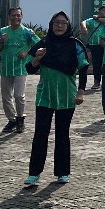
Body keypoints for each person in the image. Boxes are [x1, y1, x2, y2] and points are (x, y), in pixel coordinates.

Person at [23, 12, 88, 186]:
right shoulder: (43, 44)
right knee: (40, 135)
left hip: (67, 97)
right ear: (51, 25)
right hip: (45, 96)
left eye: (63, 23)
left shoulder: (75, 45)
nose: (59, 26)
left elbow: (83, 68)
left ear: (67, 26)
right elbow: (29, 68)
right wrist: (37, 58)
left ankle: (62, 172)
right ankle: (34, 173)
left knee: (62, 134)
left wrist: (81, 92)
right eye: (56, 23)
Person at [0, 7, 38, 133]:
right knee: (6, 97)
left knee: (19, 95)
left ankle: (20, 119)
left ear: (22, 16)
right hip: (6, 69)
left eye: (18, 15)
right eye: (13, 15)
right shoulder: (3, 31)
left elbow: (39, 45)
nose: (16, 18)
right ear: (9, 17)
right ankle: (12, 120)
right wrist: (1, 41)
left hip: (21, 69)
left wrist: (27, 53)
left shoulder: (27, 32)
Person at [78, 5, 105, 92]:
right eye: (103, 10)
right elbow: (83, 22)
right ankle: (97, 82)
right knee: (96, 64)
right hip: (94, 45)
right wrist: (84, 27)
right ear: (99, 11)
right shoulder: (92, 21)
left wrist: (97, 17)